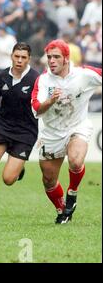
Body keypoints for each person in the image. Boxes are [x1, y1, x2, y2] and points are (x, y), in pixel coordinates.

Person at [31, 39, 101, 224]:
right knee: (48, 179)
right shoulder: (43, 80)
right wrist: (50, 101)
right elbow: (36, 109)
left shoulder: (84, 75)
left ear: (67, 59)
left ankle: (72, 192)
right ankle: (63, 211)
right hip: (52, 133)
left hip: (77, 126)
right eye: (49, 57)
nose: (52, 61)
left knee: (76, 161)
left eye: (56, 57)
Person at [0, 42, 40, 217]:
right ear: (11, 56)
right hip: (2, 125)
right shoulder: (0, 77)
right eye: (16, 56)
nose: (19, 60)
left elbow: (43, 106)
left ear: (29, 59)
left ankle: (18, 167)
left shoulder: (37, 79)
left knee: (8, 179)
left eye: (23, 57)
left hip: (26, 130)